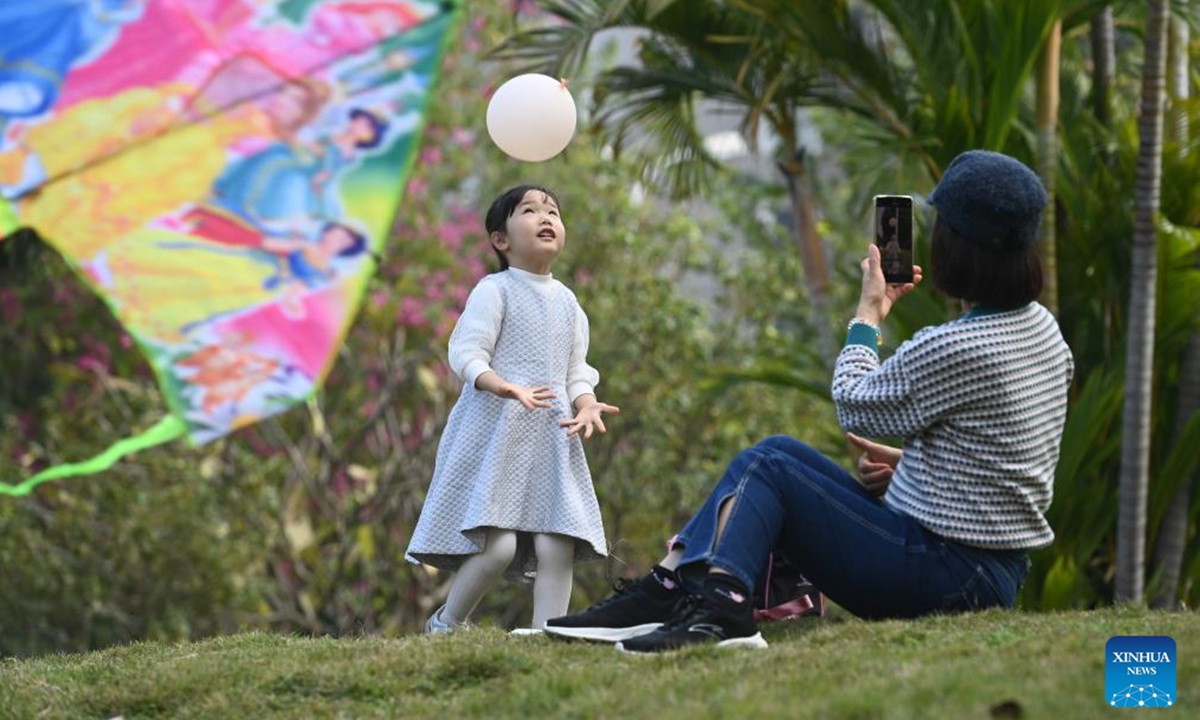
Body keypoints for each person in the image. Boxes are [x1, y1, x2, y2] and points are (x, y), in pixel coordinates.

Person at [543, 150, 1074, 653]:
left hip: (945, 576)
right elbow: (1011, 450)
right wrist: (912, 466)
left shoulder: (955, 345)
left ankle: (719, 609)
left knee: (769, 467)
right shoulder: (1043, 331)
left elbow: (854, 402)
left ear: (955, 245)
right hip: (994, 574)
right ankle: (668, 589)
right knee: (775, 453)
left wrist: (868, 316)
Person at [405, 185, 621, 633]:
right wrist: (501, 385)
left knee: (559, 539)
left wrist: (585, 403)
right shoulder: (495, 290)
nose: (546, 218)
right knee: (497, 547)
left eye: (553, 212)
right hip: (496, 434)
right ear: (500, 239)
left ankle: (548, 633)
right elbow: (467, 353)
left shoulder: (569, 303)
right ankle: (447, 623)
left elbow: (576, 372)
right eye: (529, 210)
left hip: (551, 436)